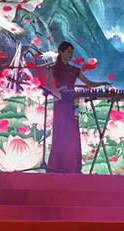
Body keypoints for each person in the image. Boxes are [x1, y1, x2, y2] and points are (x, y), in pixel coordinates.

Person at [45, 41, 108, 173]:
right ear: (61, 52)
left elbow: (89, 83)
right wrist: (58, 89)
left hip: (72, 102)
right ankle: (57, 166)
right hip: (60, 102)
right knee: (60, 133)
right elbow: (48, 86)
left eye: (72, 52)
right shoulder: (54, 69)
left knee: (72, 134)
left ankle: (71, 167)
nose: (70, 54)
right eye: (68, 52)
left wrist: (103, 83)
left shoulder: (74, 70)